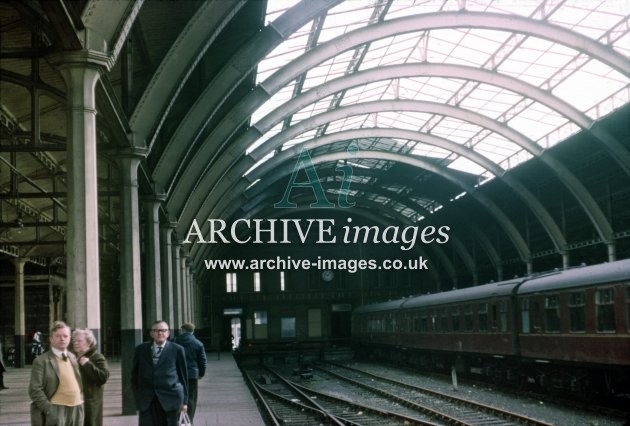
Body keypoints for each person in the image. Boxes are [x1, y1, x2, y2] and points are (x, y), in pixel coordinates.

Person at [131, 320, 188, 426]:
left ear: (168, 333)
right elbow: (134, 376)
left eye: (163, 330)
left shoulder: (177, 350)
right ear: (151, 333)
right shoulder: (140, 350)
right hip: (147, 401)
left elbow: (183, 377)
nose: (160, 333)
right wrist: (137, 396)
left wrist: (184, 402)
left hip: (170, 400)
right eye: (156, 330)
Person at [29, 321, 84, 426]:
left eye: (65, 336)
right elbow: (34, 390)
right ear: (51, 339)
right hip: (57, 410)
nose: (62, 338)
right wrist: (49, 410)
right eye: (58, 336)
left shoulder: (72, 357)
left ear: (69, 339)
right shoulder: (41, 361)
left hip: (77, 409)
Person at [72, 329, 110, 426]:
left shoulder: (97, 357)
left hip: (89, 404)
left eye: (79, 341)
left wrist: (87, 364)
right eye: (74, 341)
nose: (75, 343)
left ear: (88, 342)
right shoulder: (72, 358)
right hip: (74, 402)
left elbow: (103, 377)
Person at [175, 323, 207, 421]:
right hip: (192, 375)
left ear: (182, 330)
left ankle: (177, 419)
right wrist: (201, 373)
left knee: (178, 396)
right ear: (192, 331)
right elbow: (202, 361)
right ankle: (189, 420)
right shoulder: (198, 343)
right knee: (191, 398)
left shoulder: (174, 341)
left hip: (177, 374)